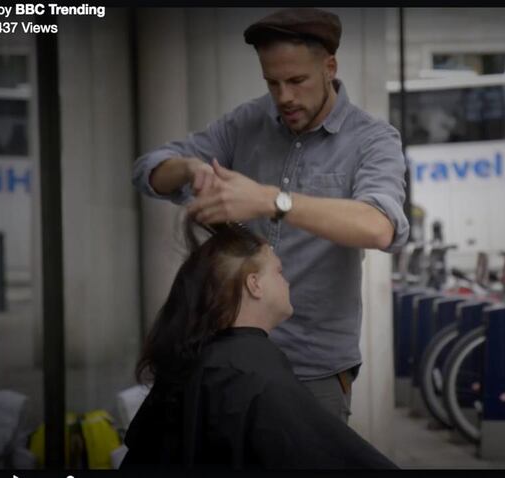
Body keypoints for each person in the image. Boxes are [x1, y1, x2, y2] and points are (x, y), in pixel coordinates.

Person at [131, 8, 409, 422]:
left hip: (314, 369)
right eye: (272, 83)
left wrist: (271, 201)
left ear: (329, 67)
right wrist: (189, 168)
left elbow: (380, 226)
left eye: (297, 81)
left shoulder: (372, 139)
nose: (284, 98)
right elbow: (148, 170)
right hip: (230, 353)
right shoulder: (249, 121)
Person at [120, 222, 398, 469]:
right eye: (278, 271)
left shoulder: (196, 356)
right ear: (254, 285)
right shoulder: (255, 374)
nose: (286, 282)